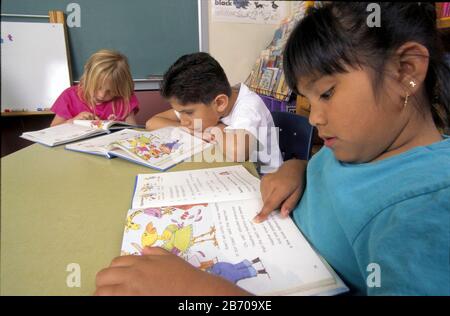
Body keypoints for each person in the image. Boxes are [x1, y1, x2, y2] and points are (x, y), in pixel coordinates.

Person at [95, 3, 449, 296]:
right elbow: (334, 177)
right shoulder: (362, 145)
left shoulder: (424, 213)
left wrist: (198, 291)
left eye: (326, 93)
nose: (315, 119)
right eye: (307, 100)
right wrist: (300, 170)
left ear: (406, 71)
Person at [145, 52, 282, 173]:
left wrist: (216, 129)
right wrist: (193, 131)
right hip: (232, 169)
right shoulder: (201, 103)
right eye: (180, 113)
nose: (183, 121)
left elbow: (237, 153)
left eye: (188, 113)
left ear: (220, 103)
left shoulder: (248, 107)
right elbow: (152, 123)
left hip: (266, 180)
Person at [50, 49, 139, 126]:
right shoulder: (69, 96)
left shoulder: (124, 97)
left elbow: (132, 130)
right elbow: (52, 131)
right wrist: (73, 121)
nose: (102, 95)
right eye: (97, 87)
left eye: (110, 91)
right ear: (87, 78)